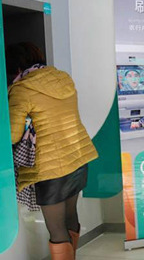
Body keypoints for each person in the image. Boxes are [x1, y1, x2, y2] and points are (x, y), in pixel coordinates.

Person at [6, 42, 98, 259]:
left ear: (17, 68)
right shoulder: (62, 78)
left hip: (51, 168)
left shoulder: (22, 90)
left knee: (56, 229)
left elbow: (12, 135)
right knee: (70, 217)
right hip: (77, 158)